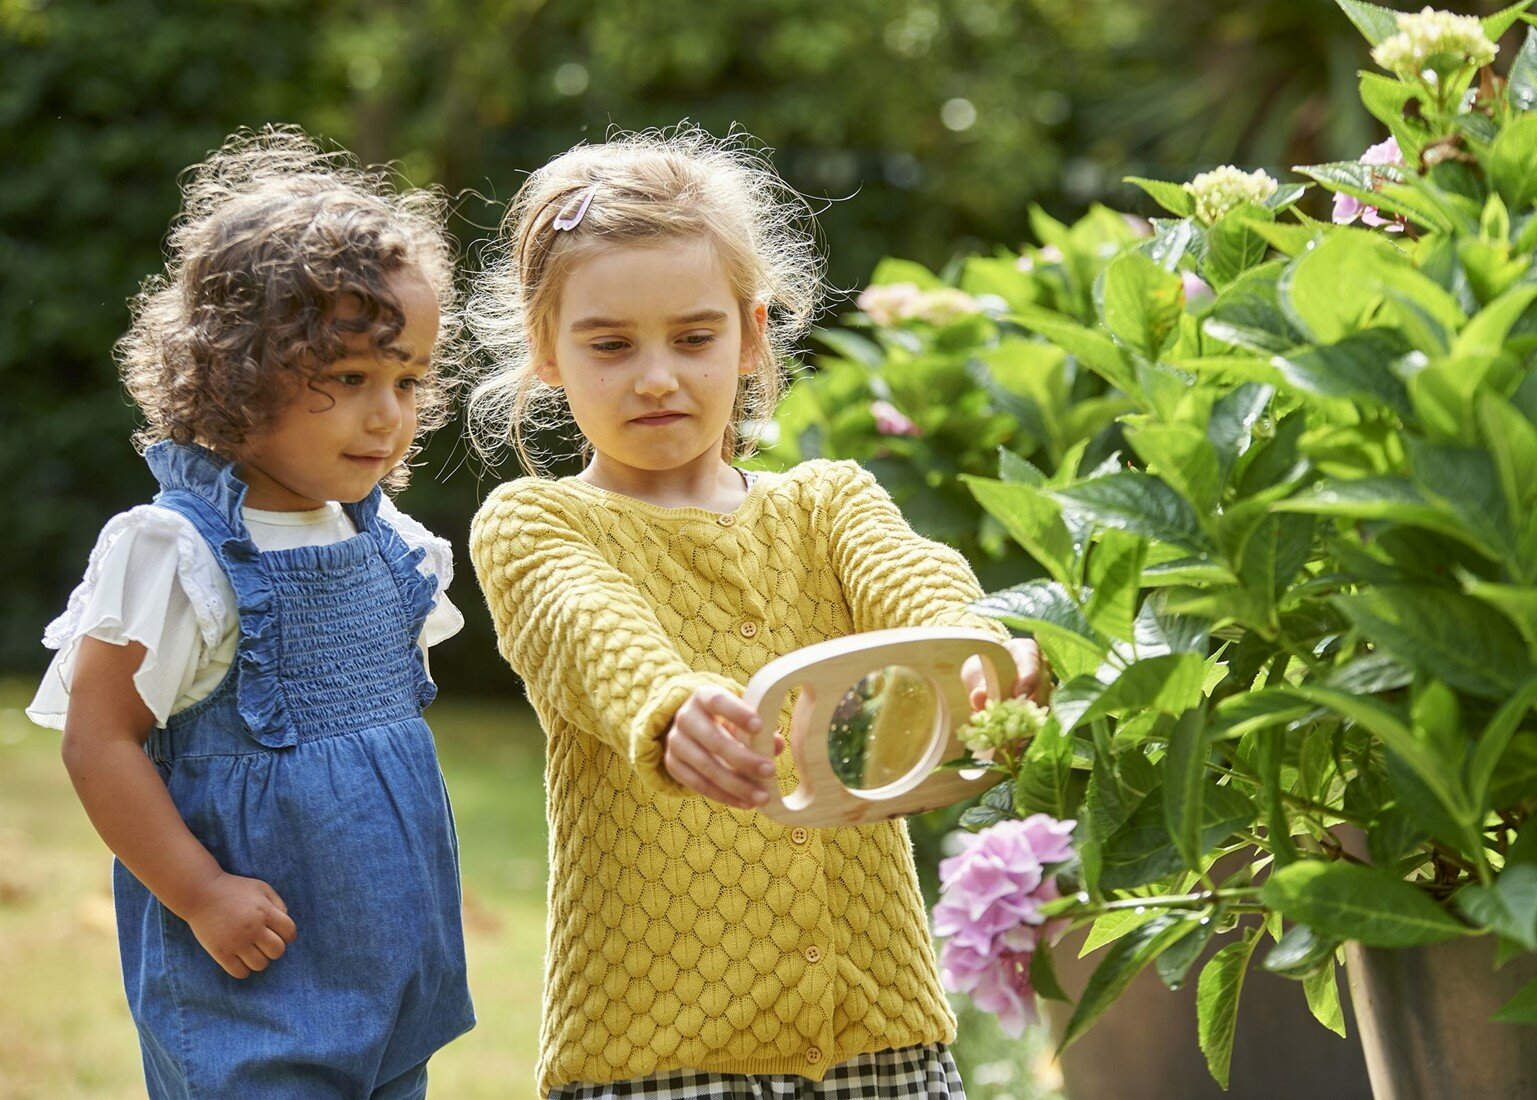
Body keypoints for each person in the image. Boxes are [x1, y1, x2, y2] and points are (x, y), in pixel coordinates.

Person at [466, 127, 1046, 1099]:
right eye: (611, 345)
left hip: (881, 1036)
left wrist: (977, 654)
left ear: (751, 333)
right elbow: (584, 624)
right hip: (659, 1051)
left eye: (694, 337)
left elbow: (912, 576)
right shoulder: (535, 523)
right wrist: (668, 705)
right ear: (546, 351)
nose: (657, 375)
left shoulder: (827, 502)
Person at [28, 126, 474, 1098]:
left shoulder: (385, 541)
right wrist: (200, 893)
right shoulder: (178, 551)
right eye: (348, 379)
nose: (387, 415)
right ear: (235, 372)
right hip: (253, 977)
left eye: (406, 380)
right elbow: (99, 739)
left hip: (393, 969)